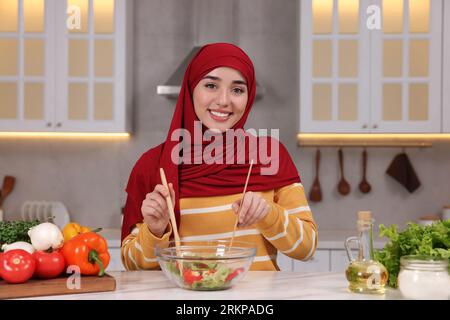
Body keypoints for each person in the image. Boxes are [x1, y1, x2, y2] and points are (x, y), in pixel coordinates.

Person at [121, 43, 317, 271]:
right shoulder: (152, 166)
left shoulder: (269, 155)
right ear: (191, 89)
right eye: (211, 85)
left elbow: (307, 249)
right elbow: (131, 266)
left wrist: (269, 214)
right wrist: (154, 231)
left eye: (237, 90)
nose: (224, 100)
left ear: (249, 95)